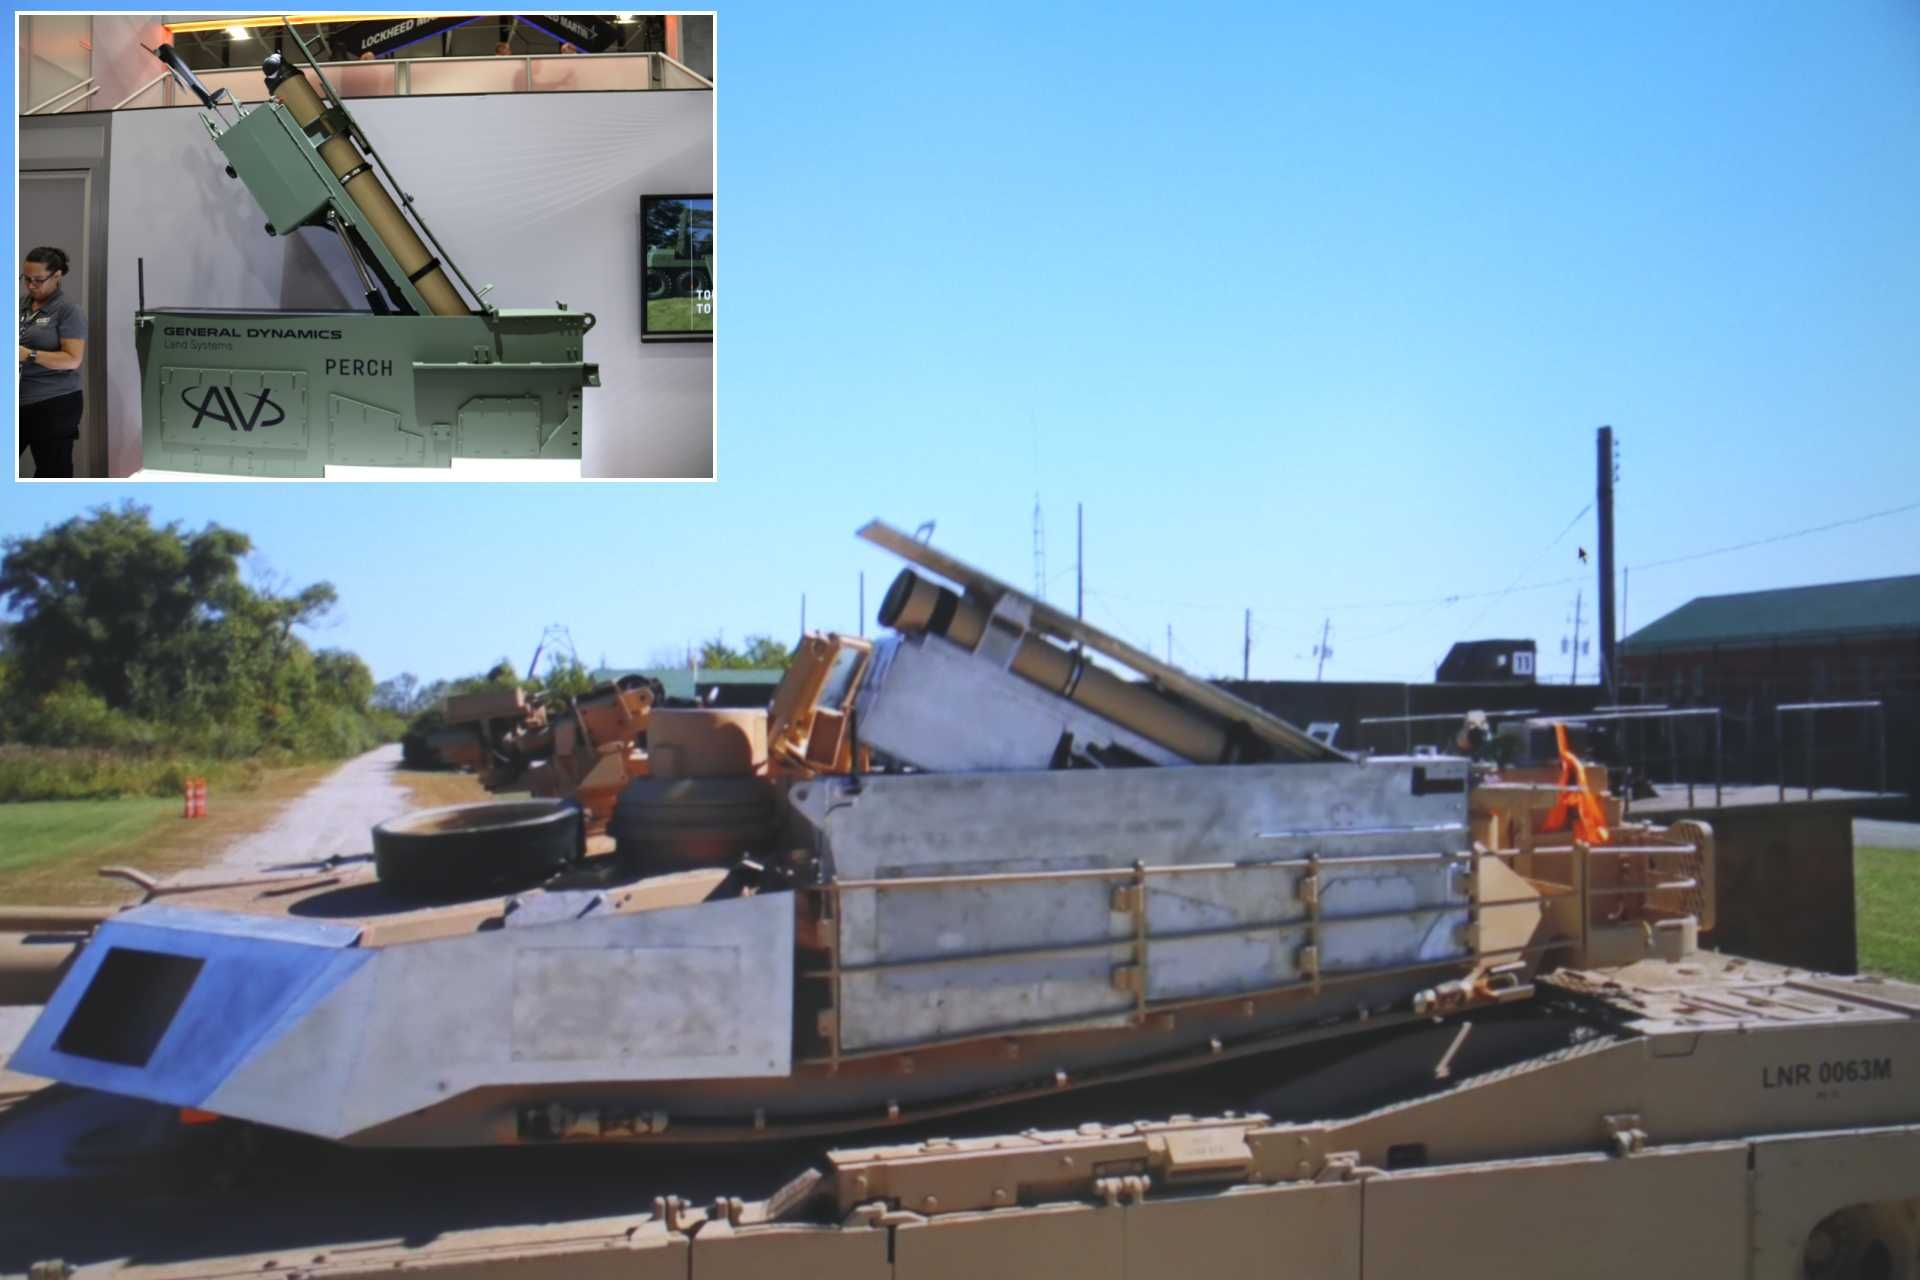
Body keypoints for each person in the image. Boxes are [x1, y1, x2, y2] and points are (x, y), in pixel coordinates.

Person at [18, 246, 85, 478]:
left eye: (38, 280)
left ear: (57, 276)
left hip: (54, 404)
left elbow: (73, 359)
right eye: (26, 279)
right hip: (17, 401)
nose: (31, 285)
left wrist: (28, 354)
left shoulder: (68, 310)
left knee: (52, 472)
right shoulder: (20, 305)